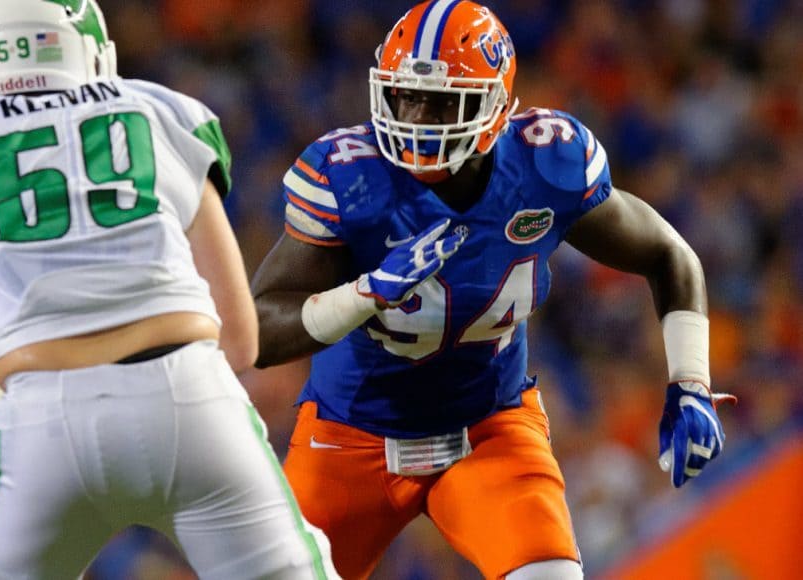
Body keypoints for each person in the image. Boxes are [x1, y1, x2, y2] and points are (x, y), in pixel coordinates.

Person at [250, 1, 735, 579]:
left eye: (441, 102)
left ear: (495, 106)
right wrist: (363, 295)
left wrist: (691, 383)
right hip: (348, 438)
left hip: (490, 429)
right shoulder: (349, 177)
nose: (416, 117)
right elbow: (257, 330)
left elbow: (668, 253)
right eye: (405, 95)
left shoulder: (544, 166)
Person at [0, 1, 338, 578]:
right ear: (88, 48)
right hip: (193, 401)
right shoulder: (162, 112)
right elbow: (240, 342)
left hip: (44, 420)